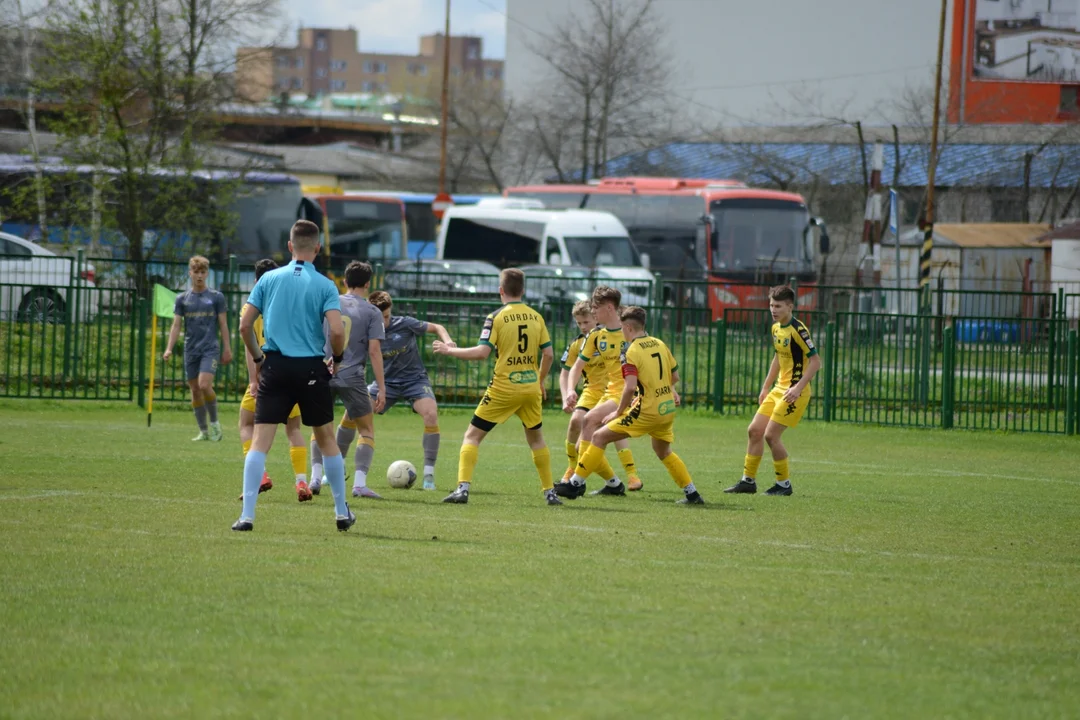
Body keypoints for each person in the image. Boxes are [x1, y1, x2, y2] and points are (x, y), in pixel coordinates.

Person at [232, 219, 354, 532]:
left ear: (289, 247)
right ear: (318, 248)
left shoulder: (268, 279)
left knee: (260, 442)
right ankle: (341, 512)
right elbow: (337, 331)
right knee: (327, 440)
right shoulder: (326, 284)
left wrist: (259, 358)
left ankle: (247, 516)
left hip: (275, 366)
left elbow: (245, 326)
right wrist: (336, 359)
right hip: (311, 367)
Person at [433, 268, 560, 506]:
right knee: (536, 440)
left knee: (472, 435)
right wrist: (540, 379)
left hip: (504, 388)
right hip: (531, 388)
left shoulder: (496, 317)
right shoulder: (536, 316)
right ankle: (549, 492)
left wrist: (449, 350)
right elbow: (549, 354)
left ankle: (462, 489)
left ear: (501, 290)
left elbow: (482, 353)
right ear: (522, 290)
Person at [565, 306, 703, 505]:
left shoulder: (630, 351)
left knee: (598, 436)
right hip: (666, 409)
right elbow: (674, 376)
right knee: (663, 451)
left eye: (622, 327)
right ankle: (693, 494)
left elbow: (629, 388)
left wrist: (617, 413)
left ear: (628, 327)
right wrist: (669, 390)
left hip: (646, 411)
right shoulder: (659, 343)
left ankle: (574, 484)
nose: (621, 331)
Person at [725, 285, 821, 497]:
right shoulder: (776, 328)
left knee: (771, 436)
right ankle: (748, 481)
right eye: (771, 305)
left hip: (794, 392)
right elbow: (778, 357)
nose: (773, 309)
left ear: (790, 306)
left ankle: (783, 484)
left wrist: (798, 388)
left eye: (778, 306)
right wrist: (766, 386)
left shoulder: (799, 330)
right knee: (754, 431)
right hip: (778, 389)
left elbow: (815, 362)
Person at [307, 261, 387, 500]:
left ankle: (314, 478)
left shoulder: (330, 304)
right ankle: (360, 484)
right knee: (366, 429)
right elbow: (374, 351)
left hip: (324, 371)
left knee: (321, 427)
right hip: (352, 376)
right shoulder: (372, 312)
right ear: (367, 284)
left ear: (344, 281)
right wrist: (381, 387)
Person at [557, 285, 642, 498]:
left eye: (596, 307)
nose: (593, 312)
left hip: (629, 394)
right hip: (609, 392)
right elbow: (576, 367)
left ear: (610, 308)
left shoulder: (630, 332)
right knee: (581, 448)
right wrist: (569, 391)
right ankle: (614, 484)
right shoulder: (596, 336)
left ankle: (576, 483)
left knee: (589, 420)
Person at [235, 259, 310, 501]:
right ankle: (301, 482)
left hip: (265, 374)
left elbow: (250, 347)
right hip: (291, 372)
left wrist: (253, 380)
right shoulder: (289, 302)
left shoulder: (250, 308)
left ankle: (261, 476)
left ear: (256, 281)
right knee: (294, 428)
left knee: (247, 425)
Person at [162, 255, 232, 441]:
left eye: (203, 272)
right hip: (190, 349)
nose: (199, 275)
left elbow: (223, 324)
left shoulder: (216, 297)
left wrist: (227, 348)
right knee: (194, 390)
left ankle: (215, 424)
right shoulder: (182, 299)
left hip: (210, 348)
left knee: (204, 385)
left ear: (207, 273)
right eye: (196, 272)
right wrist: (169, 348)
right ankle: (204, 430)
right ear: (190, 273)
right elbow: (176, 325)